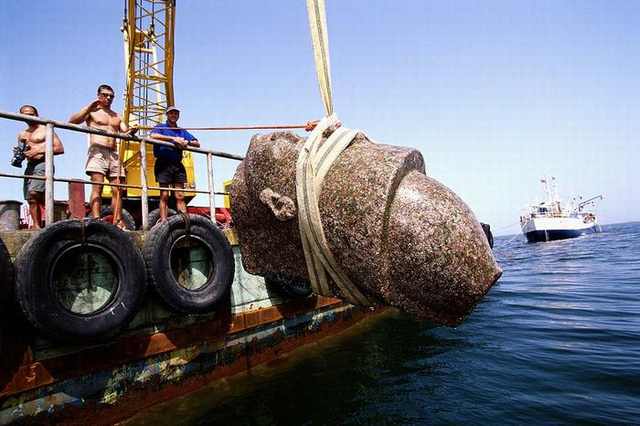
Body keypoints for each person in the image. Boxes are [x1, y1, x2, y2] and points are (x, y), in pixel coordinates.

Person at [69, 84, 136, 229]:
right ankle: (96, 219)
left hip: (114, 153)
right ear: (99, 95)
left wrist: (132, 130)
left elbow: (126, 132)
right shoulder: (92, 111)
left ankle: (117, 220)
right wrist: (90, 106)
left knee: (118, 189)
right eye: (105, 95)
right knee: (97, 187)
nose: (109, 98)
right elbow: (73, 121)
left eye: (111, 96)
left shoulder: (116, 116)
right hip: (97, 152)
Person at [16, 105, 64, 229]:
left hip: (43, 164)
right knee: (30, 198)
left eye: (31, 114)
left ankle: (57, 214)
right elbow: (23, 153)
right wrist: (19, 155)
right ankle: (37, 226)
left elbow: (59, 148)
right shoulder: (22, 134)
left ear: (37, 114)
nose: (29, 116)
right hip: (30, 166)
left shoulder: (45, 129)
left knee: (34, 193)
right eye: (25, 114)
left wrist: (38, 150)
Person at [150, 106, 200, 223]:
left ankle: (184, 222)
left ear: (178, 116)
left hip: (177, 164)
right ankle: (163, 222)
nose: (173, 115)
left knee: (180, 195)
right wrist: (173, 139)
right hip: (163, 163)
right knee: (164, 195)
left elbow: (197, 143)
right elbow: (153, 136)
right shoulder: (160, 127)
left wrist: (186, 142)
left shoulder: (181, 131)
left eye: (175, 114)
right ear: (167, 115)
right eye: (171, 113)